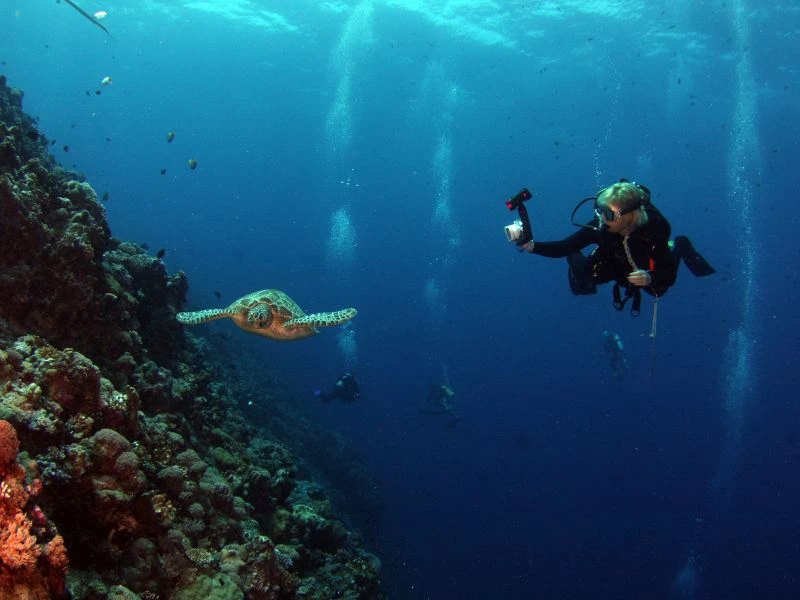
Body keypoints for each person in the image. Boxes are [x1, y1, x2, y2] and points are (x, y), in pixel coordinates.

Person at [519, 180, 715, 315]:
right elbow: (565, 246)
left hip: (642, 261)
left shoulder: (653, 231)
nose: (602, 218)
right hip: (614, 256)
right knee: (583, 282)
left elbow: (668, 274)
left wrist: (650, 277)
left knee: (657, 290)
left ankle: (679, 246)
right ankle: (586, 264)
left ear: (630, 215)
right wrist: (533, 246)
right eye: (599, 210)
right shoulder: (601, 225)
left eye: (609, 214)